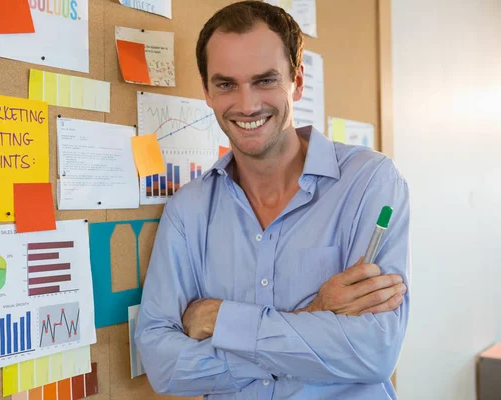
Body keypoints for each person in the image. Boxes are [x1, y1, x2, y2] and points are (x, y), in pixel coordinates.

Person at [135, 1, 410, 399]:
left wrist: (223, 322)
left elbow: (374, 352)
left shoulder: (369, 182)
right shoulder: (187, 211)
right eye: (226, 84)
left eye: (265, 80)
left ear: (297, 82)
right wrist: (314, 316)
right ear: (207, 92)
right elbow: (163, 364)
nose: (247, 105)